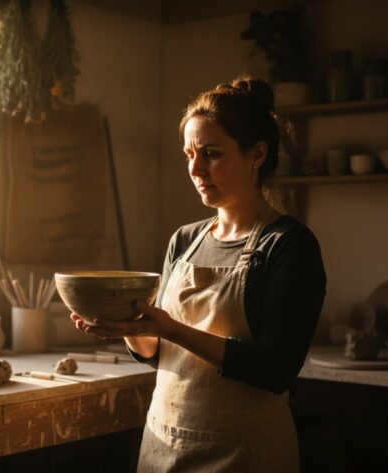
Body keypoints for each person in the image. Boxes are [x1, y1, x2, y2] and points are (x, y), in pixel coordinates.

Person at [71, 75, 326, 472]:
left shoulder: (288, 244)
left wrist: (172, 329)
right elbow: (159, 353)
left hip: (245, 453)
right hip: (166, 443)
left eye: (211, 154)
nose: (195, 168)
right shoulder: (184, 240)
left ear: (257, 154)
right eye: (189, 154)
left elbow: (275, 370)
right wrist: (127, 326)